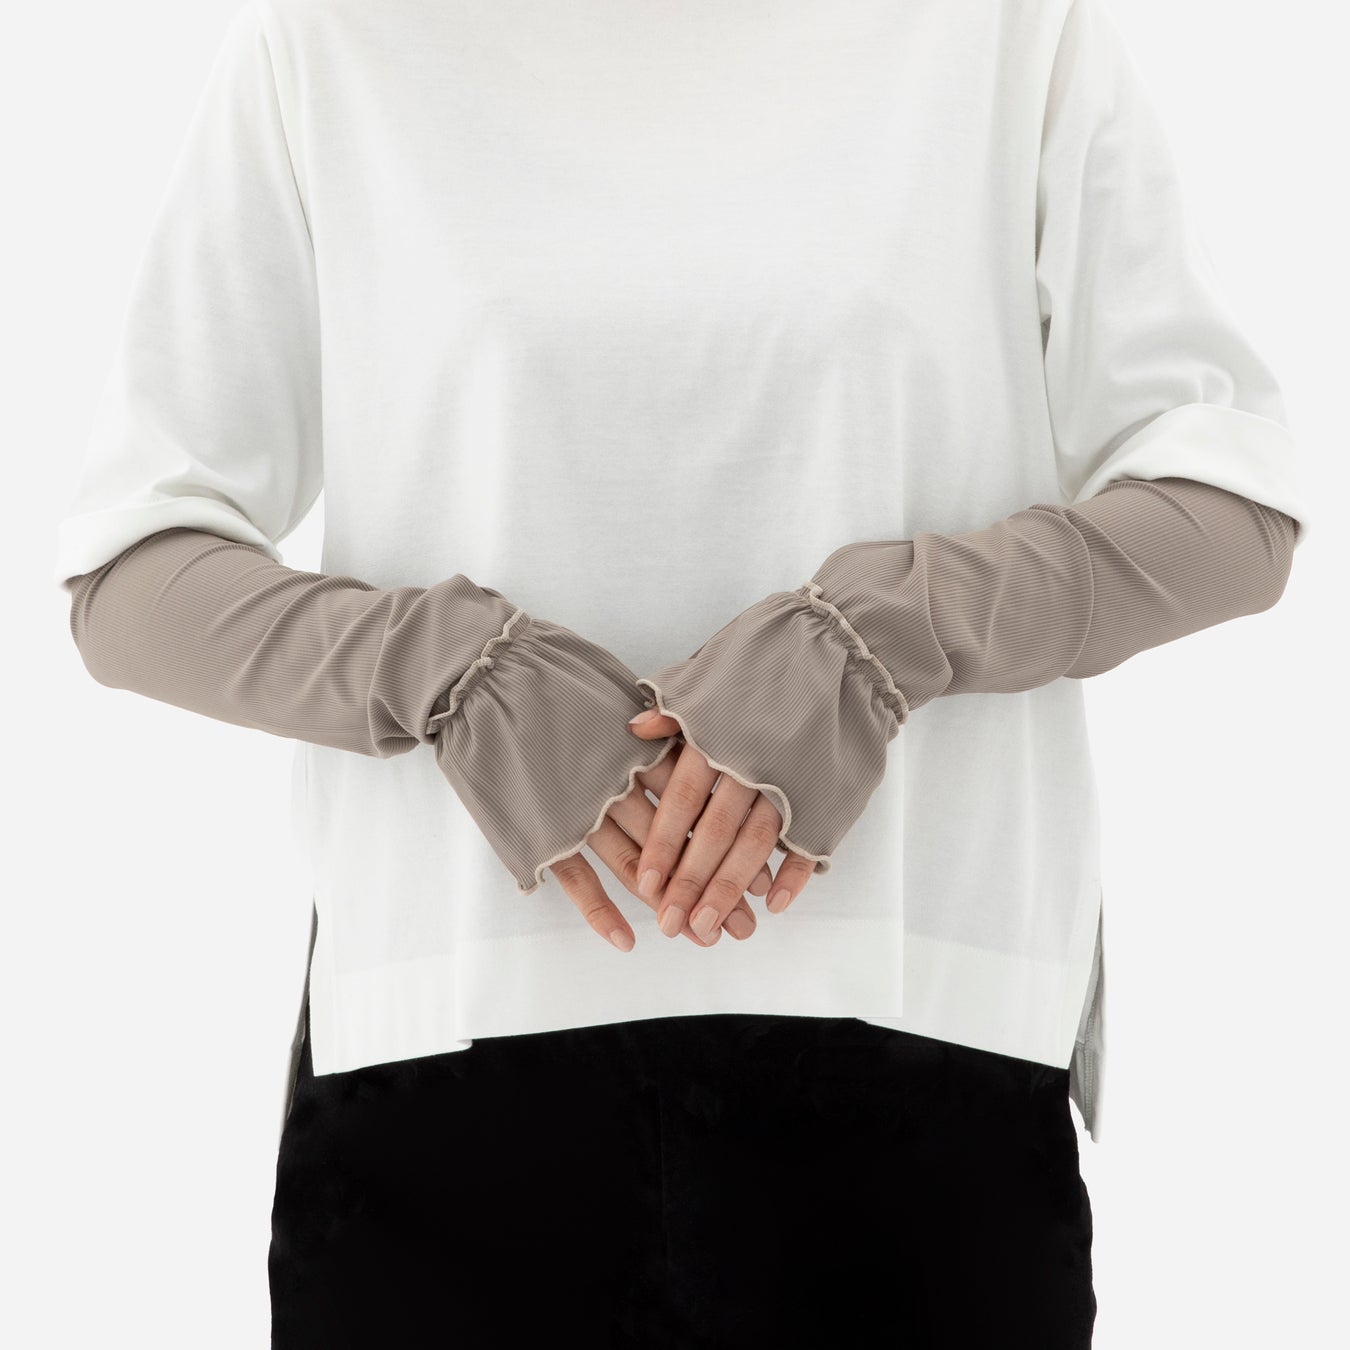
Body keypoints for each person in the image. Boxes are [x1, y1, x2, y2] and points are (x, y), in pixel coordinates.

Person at [54, 1, 1310, 1345]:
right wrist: (440, 666)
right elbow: (131, 577)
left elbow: (1225, 507)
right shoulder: (333, 41)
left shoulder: (1006, 31)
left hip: (918, 1062)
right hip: (444, 1078)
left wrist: (885, 631)